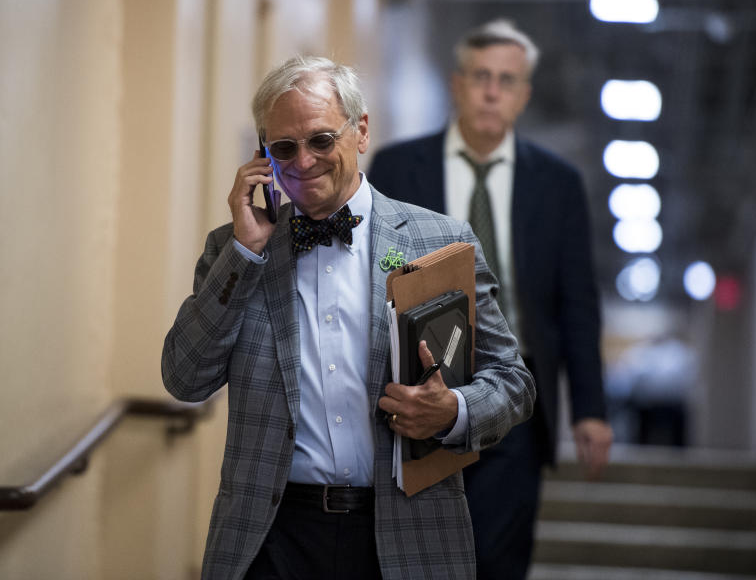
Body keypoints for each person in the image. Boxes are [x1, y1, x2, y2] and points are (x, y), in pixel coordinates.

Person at [162, 55, 535, 580]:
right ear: (262, 156)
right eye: (283, 148)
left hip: (406, 534)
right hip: (271, 538)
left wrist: (453, 411)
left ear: (360, 131)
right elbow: (184, 379)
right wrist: (245, 254)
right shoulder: (234, 251)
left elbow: (513, 382)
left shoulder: (442, 242)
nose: (304, 162)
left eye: (320, 140)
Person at [369, 18, 613, 579]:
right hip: (422, 386)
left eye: (507, 80)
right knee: (416, 559)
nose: (492, 91)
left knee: (499, 561)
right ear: (457, 84)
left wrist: (592, 410)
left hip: (515, 395)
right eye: (481, 76)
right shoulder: (397, 166)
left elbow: (577, 301)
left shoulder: (557, 183)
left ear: (525, 95)